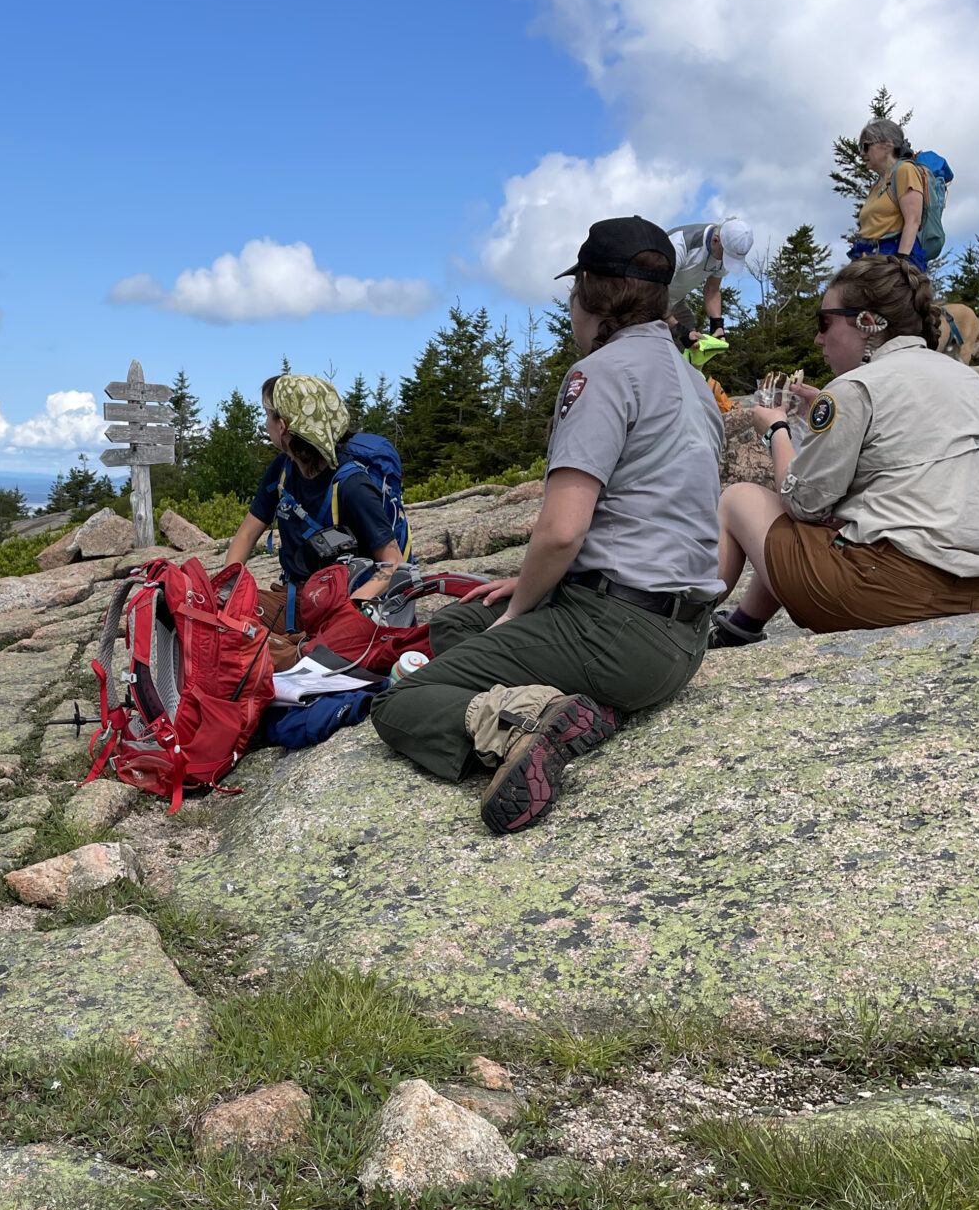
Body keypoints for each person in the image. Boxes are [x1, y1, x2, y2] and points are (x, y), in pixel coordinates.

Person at [372, 217, 723, 834]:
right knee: (457, 624)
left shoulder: (603, 373)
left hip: (618, 633)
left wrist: (521, 608)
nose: (569, 307)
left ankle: (533, 724)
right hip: (683, 638)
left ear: (590, 289)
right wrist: (530, 593)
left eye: (572, 291)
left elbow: (562, 530)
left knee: (401, 703)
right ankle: (585, 705)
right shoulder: (695, 383)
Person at [710, 256, 979, 646]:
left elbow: (802, 502)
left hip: (892, 591)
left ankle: (679, 630)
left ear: (868, 322)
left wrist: (775, 429)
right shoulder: (966, 378)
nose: (818, 339)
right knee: (808, 534)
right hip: (978, 589)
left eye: (824, 323)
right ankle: (741, 625)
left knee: (739, 500)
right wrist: (827, 410)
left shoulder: (857, 387)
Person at [224, 374, 405, 633]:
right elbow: (247, 533)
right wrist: (226, 587)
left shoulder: (352, 486)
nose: (266, 424)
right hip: (297, 599)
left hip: (344, 602)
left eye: (268, 415)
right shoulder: (282, 470)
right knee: (218, 617)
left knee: (257, 649)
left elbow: (393, 561)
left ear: (283, 426)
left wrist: (350, 608)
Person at [849, 117, 927, 271]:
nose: (861, 152)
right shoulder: (877, 185)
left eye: (865, 146)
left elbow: (913, 220)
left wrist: (900, 264)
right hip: (870, 258)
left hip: (892, 259)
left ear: (888, 144)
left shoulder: (905, 170)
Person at [666, 219, 754, 338]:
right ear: (715, 240)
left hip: (675, 299)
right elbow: (653, 293)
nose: (724, 261)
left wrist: (717, 326)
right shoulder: (678, 244)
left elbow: (712, 290)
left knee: (691, 339)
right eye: (725, 256)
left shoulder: (724, 249)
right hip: (644, 297)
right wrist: (679, 330)